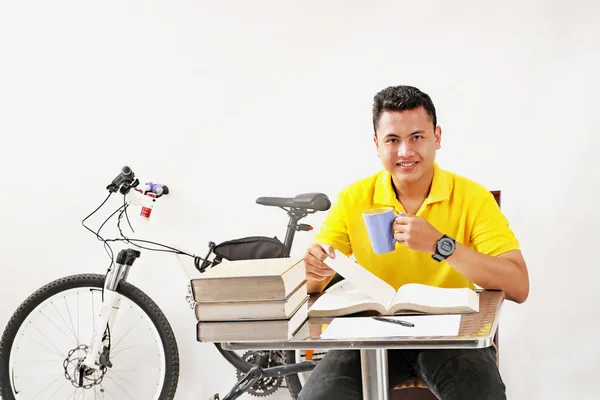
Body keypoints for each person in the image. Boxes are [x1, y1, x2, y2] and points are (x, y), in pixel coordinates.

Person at [299, 85, 530, 400]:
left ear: (437, 137)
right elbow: (311, 285)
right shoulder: (353, 198)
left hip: (451, 335)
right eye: (393, 140)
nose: (405, 152)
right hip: (369, 333)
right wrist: (313, 269)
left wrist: (440, 245)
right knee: (319, 397)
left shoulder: (472, 198)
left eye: (417, 137)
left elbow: (518, 285)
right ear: (377, 144)